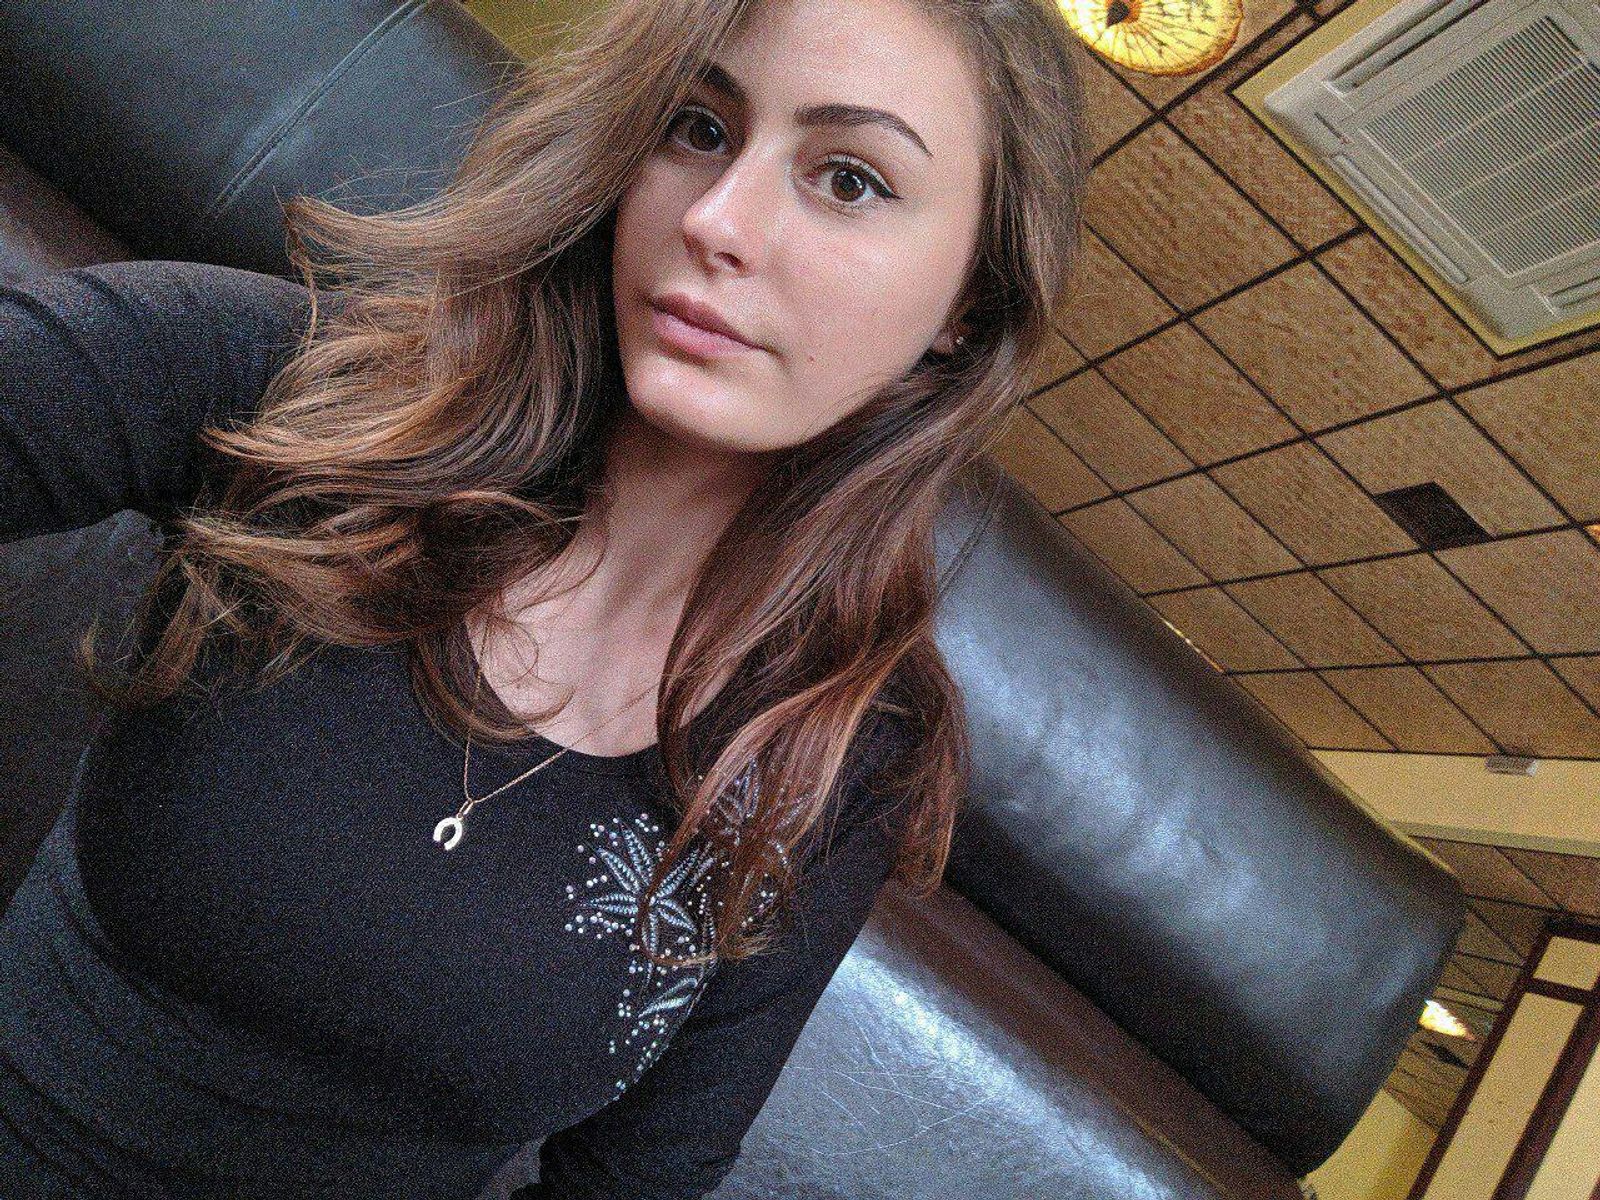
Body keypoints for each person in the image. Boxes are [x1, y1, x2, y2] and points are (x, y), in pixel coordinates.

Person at [0, 0, 1090, 1194]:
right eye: (698, 128)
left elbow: (640, 1177)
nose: (716, 222)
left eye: (848, 179)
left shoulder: (841, 753)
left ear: (967, 308)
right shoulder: (289, 394)